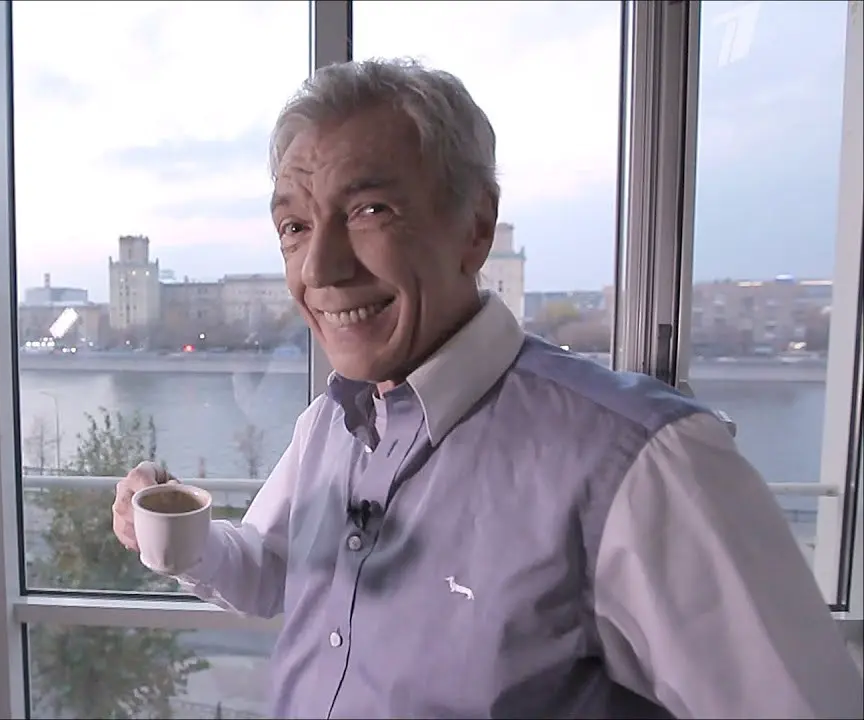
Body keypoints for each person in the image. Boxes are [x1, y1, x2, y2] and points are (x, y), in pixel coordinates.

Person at [112, 58, 863, 719]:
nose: (320, 270)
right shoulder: (329, 426)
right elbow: (276, 572)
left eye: (369, 211)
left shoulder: (642, 463)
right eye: (295, 228)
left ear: (476, 228)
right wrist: (183, 537)